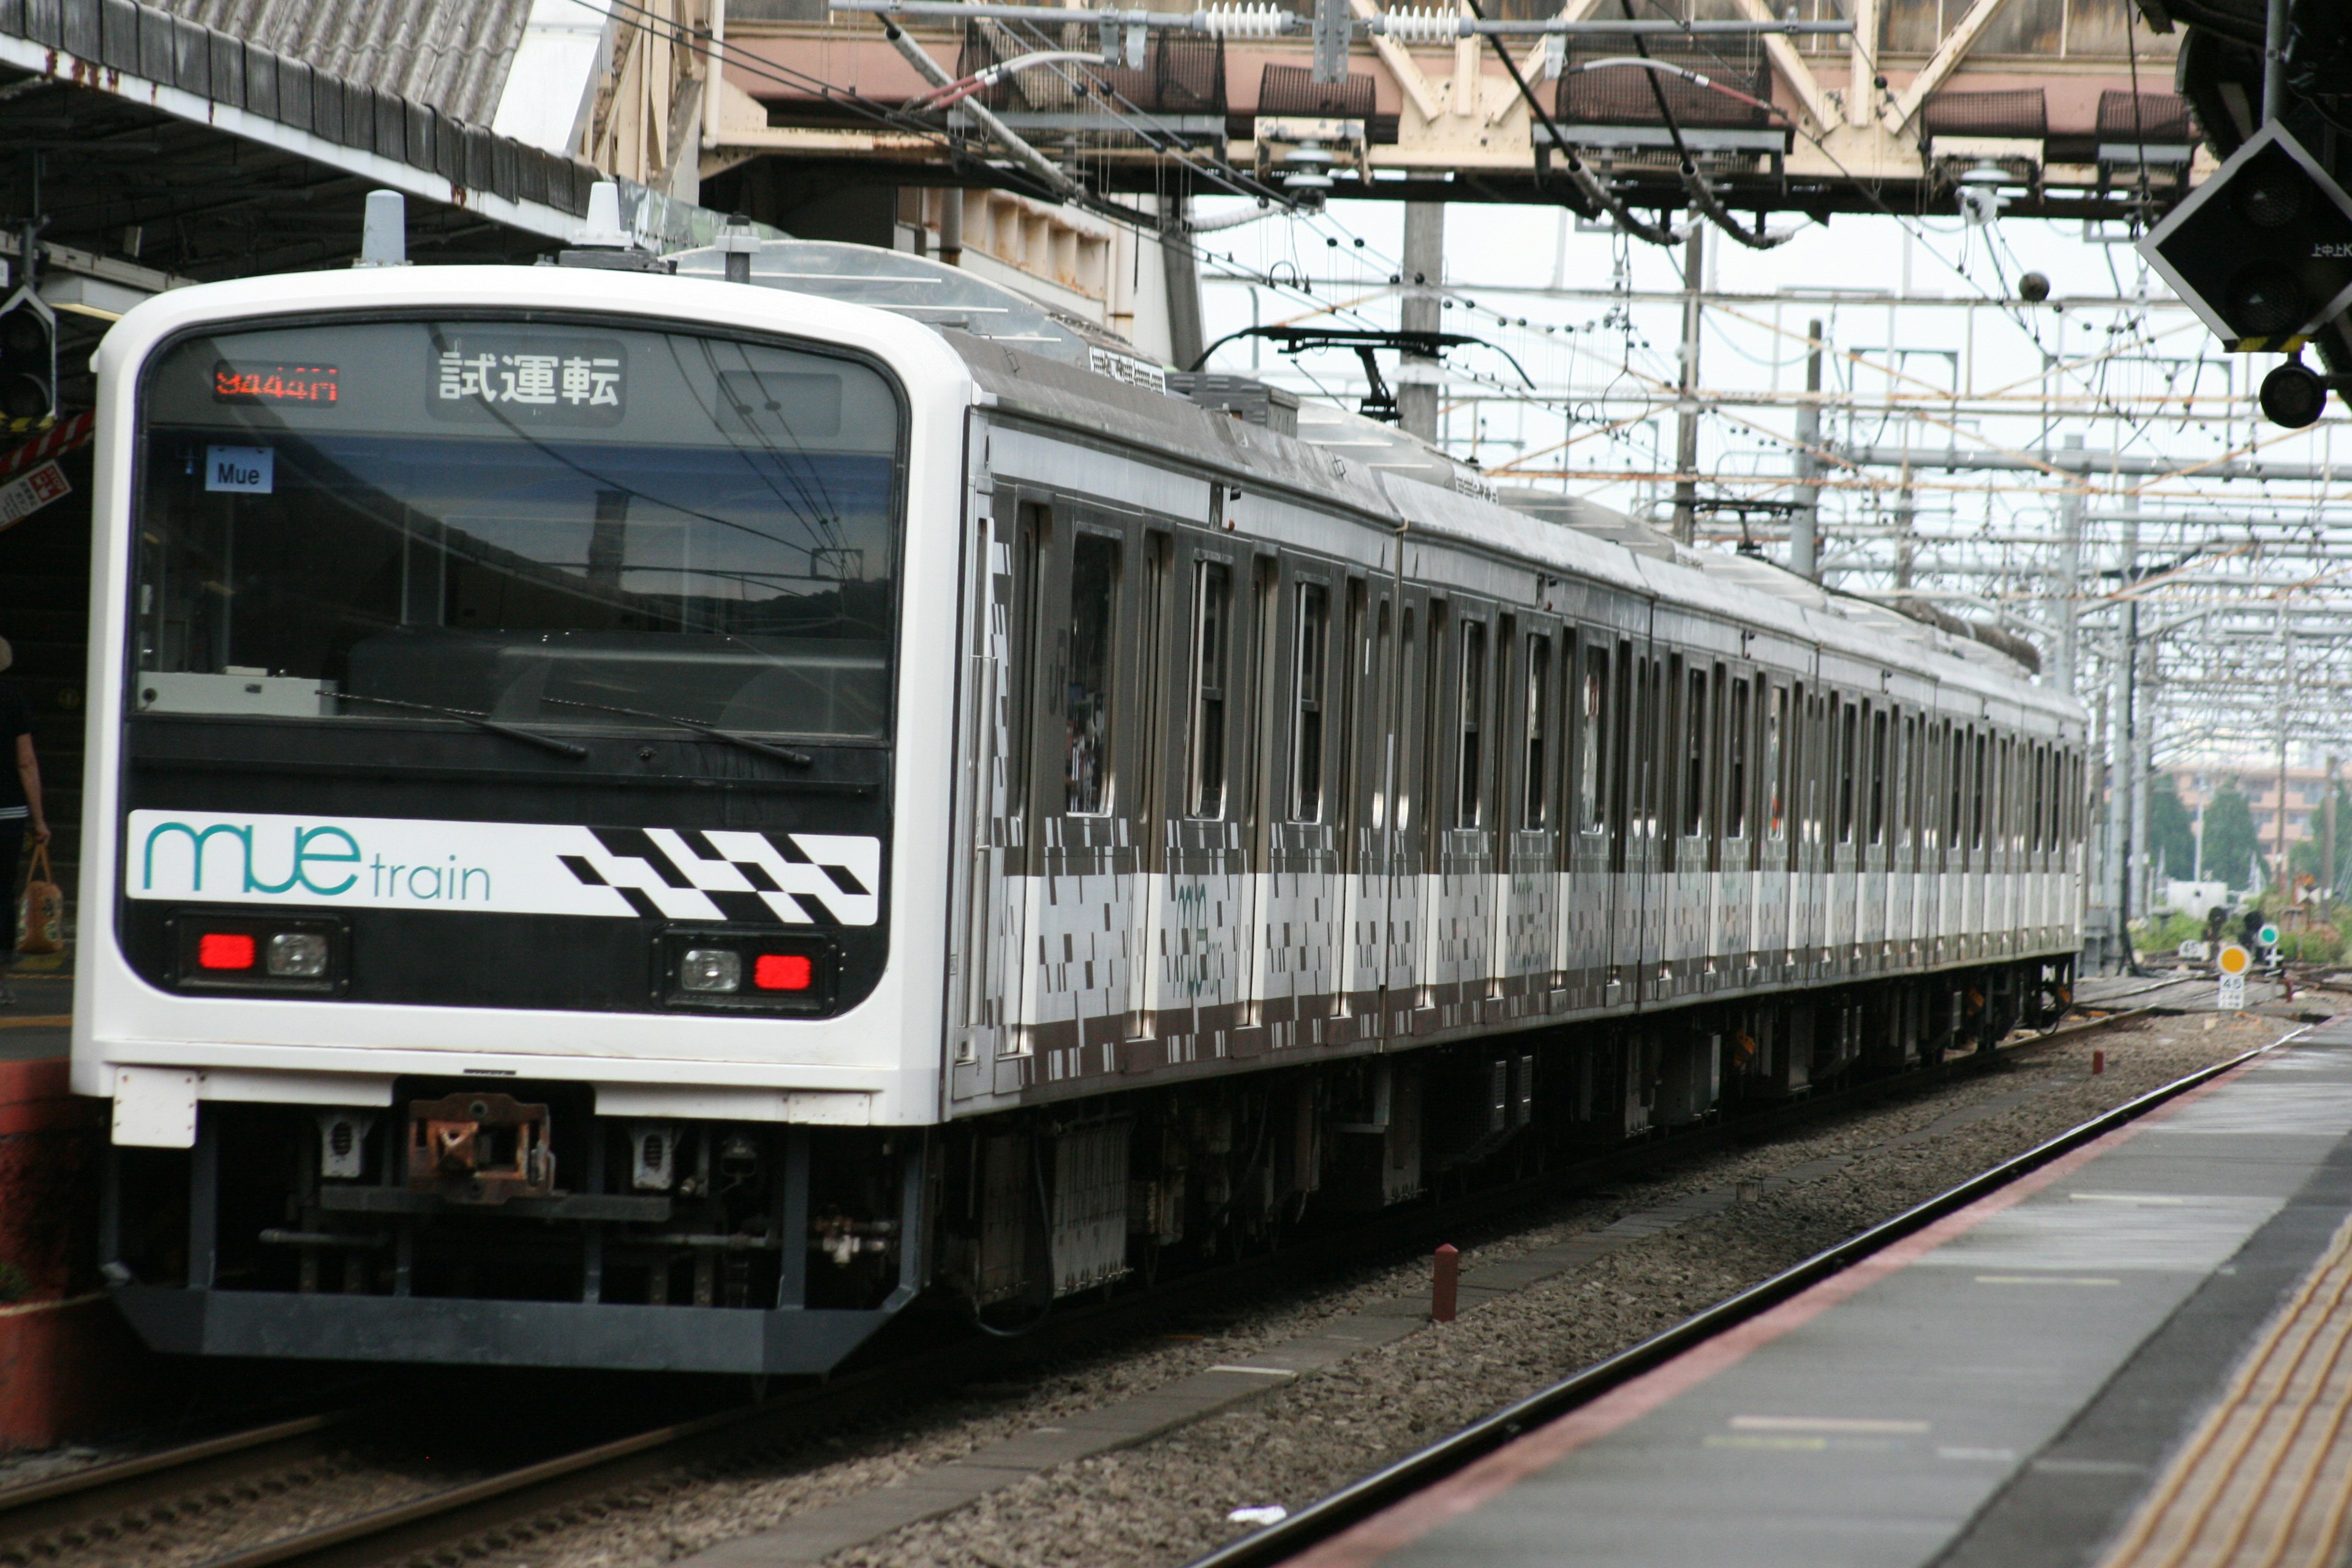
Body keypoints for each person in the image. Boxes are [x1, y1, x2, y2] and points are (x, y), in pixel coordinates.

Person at [0, 637, 45, 1007]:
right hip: (7, 814)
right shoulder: (13, 700)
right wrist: (40, 819)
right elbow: (26, 762)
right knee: (2, 894)